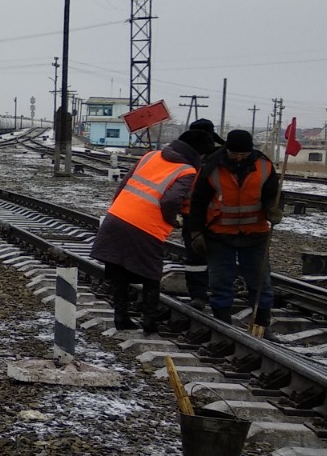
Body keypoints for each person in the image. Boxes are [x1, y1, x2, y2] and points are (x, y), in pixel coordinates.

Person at [91, 131, 205, 333]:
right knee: (151, 275)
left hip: (117, 216)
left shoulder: (150, 155)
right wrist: (173, 220)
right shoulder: (186, 171)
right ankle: (149, 322)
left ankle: (121, 316)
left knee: (119, 271)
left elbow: (123, 185)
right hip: (146, 227)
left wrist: (119, 209)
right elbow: (170, 201)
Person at [189, 129, 282, 335]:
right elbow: (198, 202)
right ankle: (224, 328)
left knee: (260, 283)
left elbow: (273, 196)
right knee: (221, 282)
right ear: (227, 150)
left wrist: (273, 210)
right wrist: (196, 232)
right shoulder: (212, 167)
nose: (239, 158)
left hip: (255, 234)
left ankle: (261, 328)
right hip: (220, 235)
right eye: (234, 154)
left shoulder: (264, 166)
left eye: (243, 155)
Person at [178, 120, 220, 311]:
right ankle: (202, 294)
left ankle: (200, 294)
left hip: (205, 216)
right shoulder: (219, 154)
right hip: (205, 215)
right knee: (203, 257)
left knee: (198, 257)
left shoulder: (183, 155)